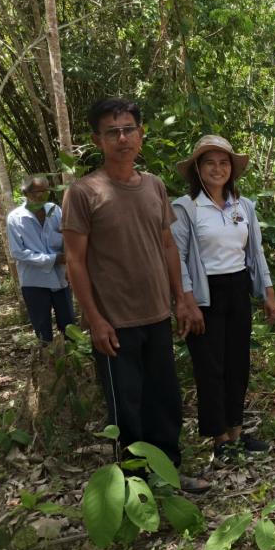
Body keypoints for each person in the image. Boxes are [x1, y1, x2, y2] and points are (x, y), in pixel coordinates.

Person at [61, 98, 210, 494]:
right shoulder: (83, 192)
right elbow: (75, 262)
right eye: (113, 132)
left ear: (141, 136)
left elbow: (167, 248)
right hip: (115, 322)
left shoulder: (154, 187)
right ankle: (136, 485)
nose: (122, 138)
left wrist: (182, 298)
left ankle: (170, 473)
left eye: (129, 129)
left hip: (157, 314)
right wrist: (95, 320)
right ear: (98, 140)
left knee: (164, 400)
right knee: (126, 408)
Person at [171, 135, 275, 462]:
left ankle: (236, 431)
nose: (218, 169)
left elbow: (254, 251)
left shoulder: (242, 206)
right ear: (197, 170)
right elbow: (177, 256)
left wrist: (268, 290)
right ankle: (219, 439)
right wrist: (186, 301)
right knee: (210, 367)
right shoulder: (186, 208)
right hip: (205, 294)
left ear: (231, 169)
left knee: (237, 363)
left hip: (237, 288)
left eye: (224, 163)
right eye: (209, 163)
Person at [6, 175, 75, 343]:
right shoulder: (15, 218)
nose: (44, 195)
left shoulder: (54, 210)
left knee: (69, 327)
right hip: (34, 281)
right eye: (39, 191)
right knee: (43, 329)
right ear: (27, 193)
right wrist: (53, 259)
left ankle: (73, 363)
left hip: (60, 278)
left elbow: (66, 235)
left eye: (46, 190)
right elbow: (18, 252)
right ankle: (48, 363)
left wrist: (68, 260)